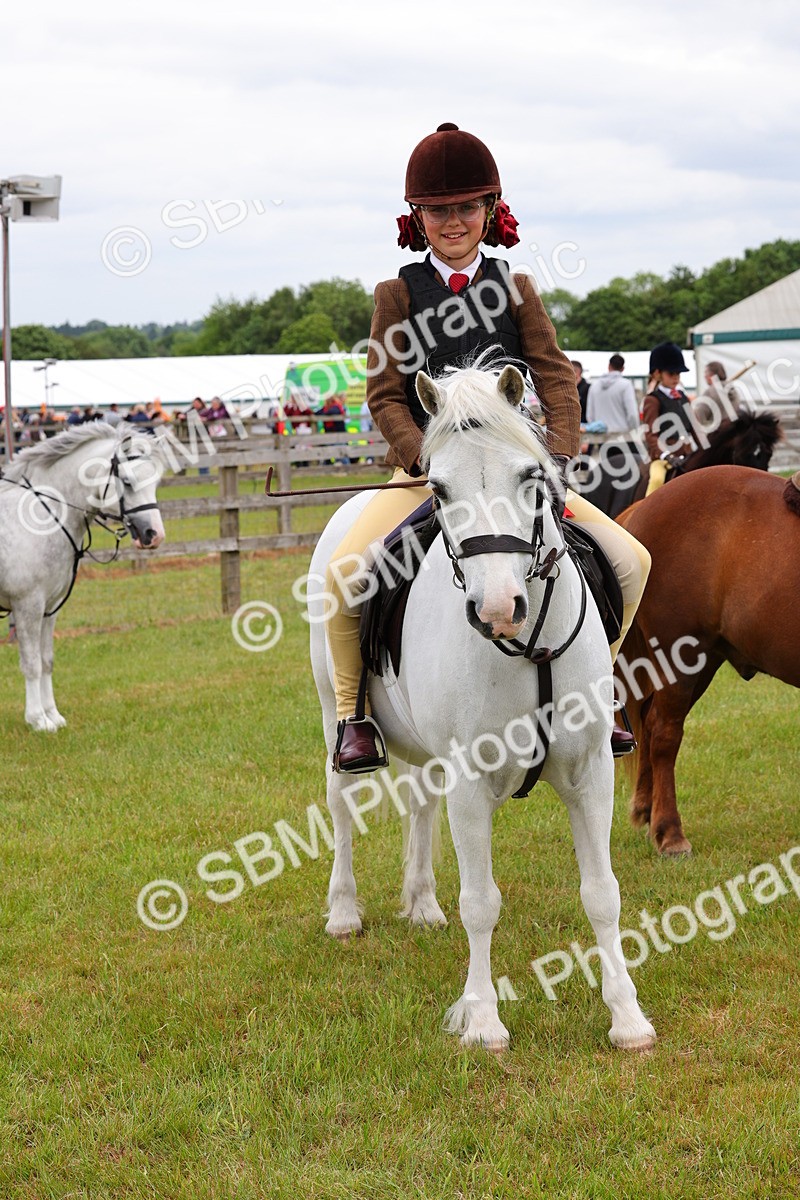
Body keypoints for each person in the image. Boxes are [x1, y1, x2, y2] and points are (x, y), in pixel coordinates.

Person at [326, 122, 650, 771]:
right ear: (417, 217)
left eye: (466, 208)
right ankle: (352, 716)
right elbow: (385, 393)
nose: (453, 221)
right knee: (345, 577)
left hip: (515, 476)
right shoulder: (395, 295)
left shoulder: (516, 287)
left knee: (631, 560)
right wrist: (426, 456)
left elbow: (555, 372)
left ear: (489, 210)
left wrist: (554, 453)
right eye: (439, 210)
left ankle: (600, 690)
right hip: (429, 475)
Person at [641, 342, 695, 495]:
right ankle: (647, 512)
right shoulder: (652, 400)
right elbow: (651, 434)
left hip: (686, 454)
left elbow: (694, 428)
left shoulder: (683, 397)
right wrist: (667, 455)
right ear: (657, 374)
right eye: (671, 374)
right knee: (657, 479)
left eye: (678, 374)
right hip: (663, 458)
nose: (676, 378)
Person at [586, 354, 640, 434]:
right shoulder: (626, 385)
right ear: (623, 368)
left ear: (609, 366)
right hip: (622, 436)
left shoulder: (594, 386)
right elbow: (632, 414)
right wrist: (635, 430)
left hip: (600, 435)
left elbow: (589, 415)